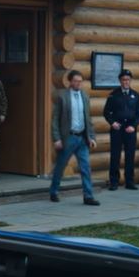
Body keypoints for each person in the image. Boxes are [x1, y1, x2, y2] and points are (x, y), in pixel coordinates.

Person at [49, 70, 100, 205]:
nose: (78, 83)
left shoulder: (85, 96)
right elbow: (55, 119)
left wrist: (92, 137)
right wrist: (57, 138)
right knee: (60, 166)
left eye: (80, 81)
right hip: (68, 137)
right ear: (70, 81)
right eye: (76, 81)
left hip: (82, 137)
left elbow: (88, 119)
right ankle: (54, 191)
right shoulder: (62, 96)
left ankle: (88, 196)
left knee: (85, 167)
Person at [103, 69, 139, 191]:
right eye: (123, 80)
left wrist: (134, 126)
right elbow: (106, 112)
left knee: (130, 155)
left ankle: (129, 181)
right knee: (115, 155)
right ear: (120, 81)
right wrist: (112, 123)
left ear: (130, 80)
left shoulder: (135, 95)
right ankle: (114, 182)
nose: (125, 82)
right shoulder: (113, 95)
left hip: (130, 129)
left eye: (127, 79)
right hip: (117, 128)